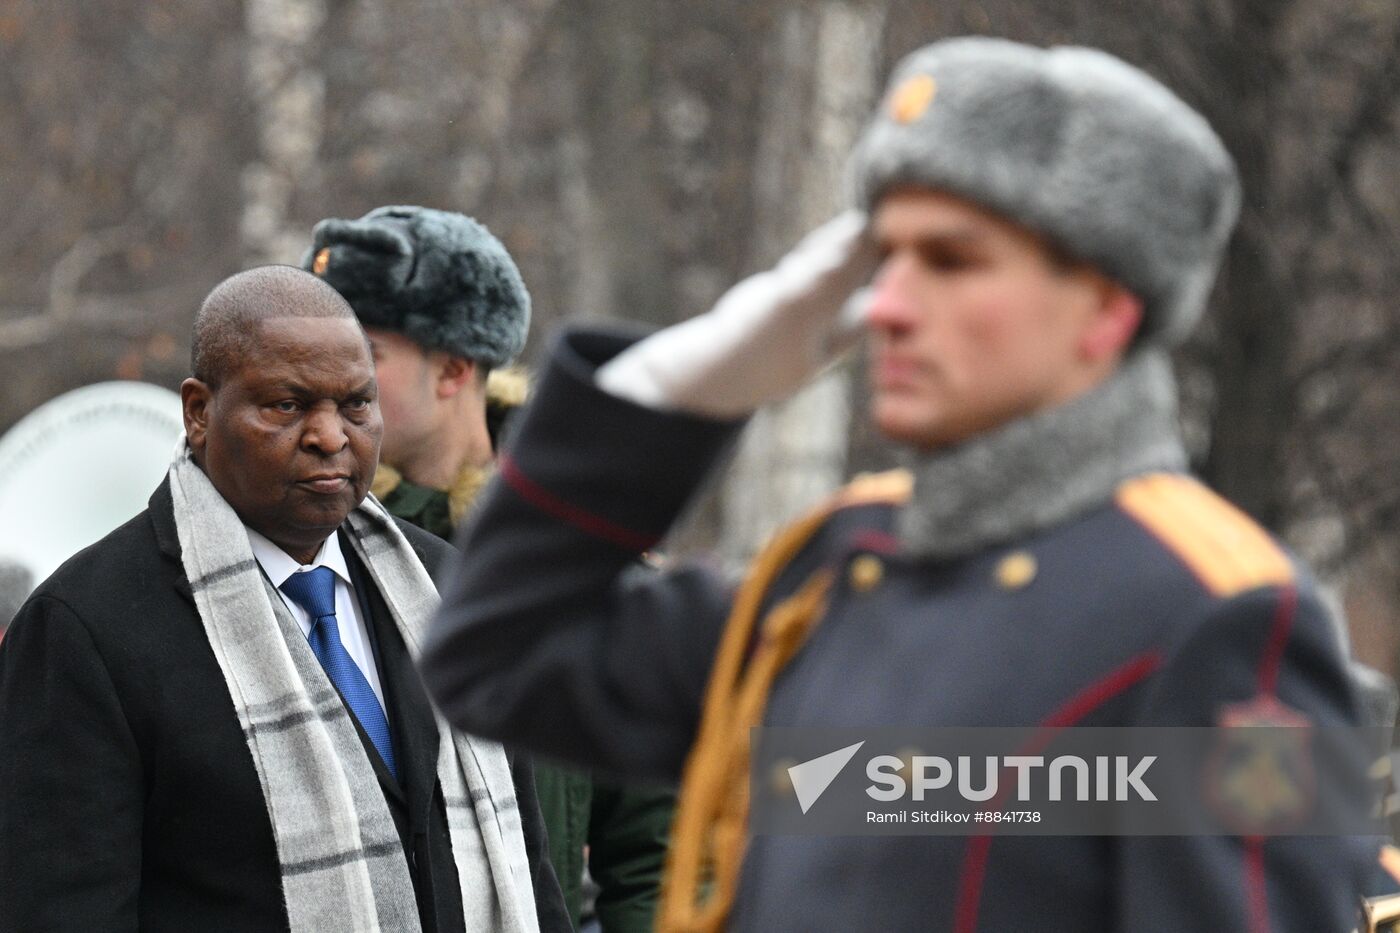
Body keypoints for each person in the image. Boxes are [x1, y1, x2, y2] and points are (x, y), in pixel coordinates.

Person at [417, 37, 1381, 932]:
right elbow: (497, 656)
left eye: (953, 260)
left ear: (1105, 309)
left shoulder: (1225, 619)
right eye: (885, 256)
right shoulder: (836, 572)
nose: (887, 304)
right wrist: (678, 391)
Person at [0, 265, 568, 932]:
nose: (331, 436)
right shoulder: (82, 627)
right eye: (286, 405)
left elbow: (529, 868)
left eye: (356, 403)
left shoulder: (448, 586)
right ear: (199, 411)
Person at [303, 205, 675, 933]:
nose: (329, 379)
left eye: (365, 354)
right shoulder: (295, 546)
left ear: (454, 369)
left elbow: (654, 854)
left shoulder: (580, 559)